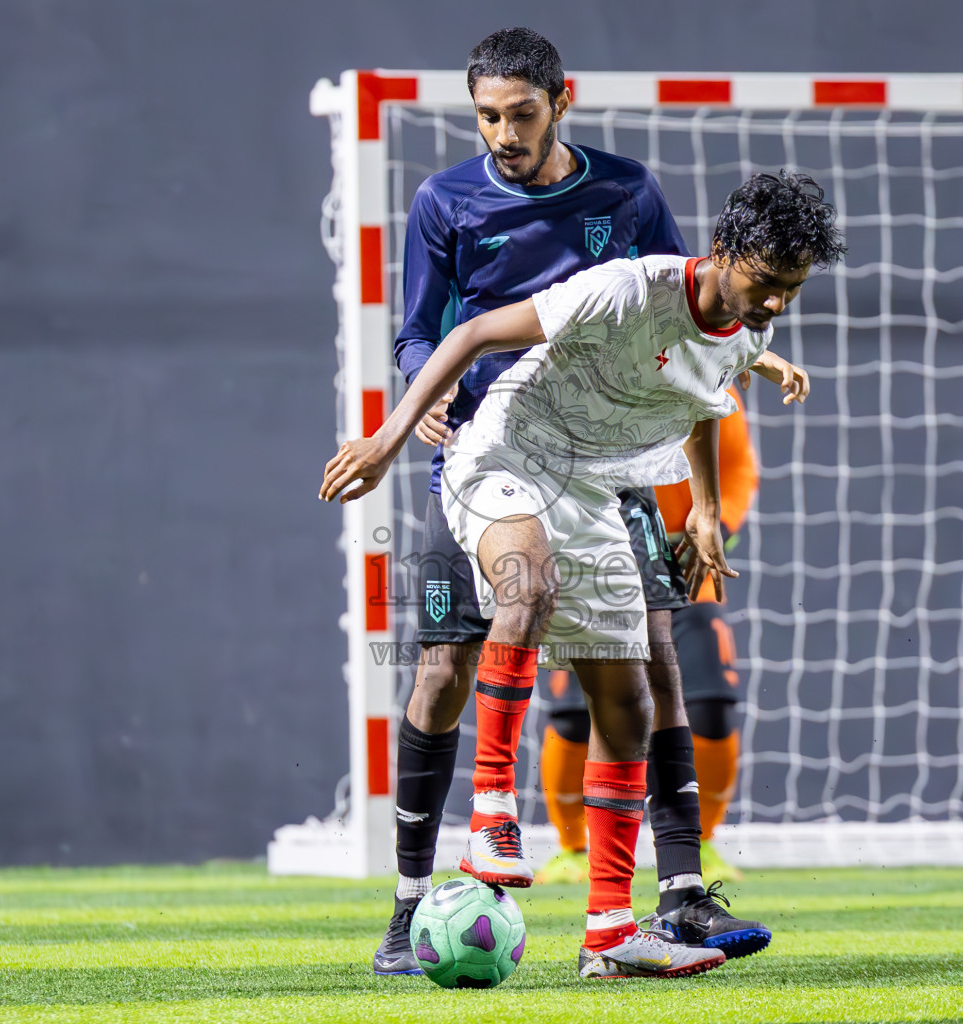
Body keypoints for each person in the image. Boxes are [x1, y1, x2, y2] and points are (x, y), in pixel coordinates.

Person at [322, 169, 846, 978]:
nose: (777, 302)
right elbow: (468, 336)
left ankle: (609, 933)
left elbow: (705, 399)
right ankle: (492, 811)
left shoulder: (749, 332)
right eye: (768, 282)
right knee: (525, 589)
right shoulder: (626, 288)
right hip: (505, 452)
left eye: (793, 288)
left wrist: (704, 509)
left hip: (595, 483)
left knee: (627, 696)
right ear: (726, 251)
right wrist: (387, 441)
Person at [370, 27, 781, 976]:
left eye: (521, 113)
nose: (503, 134)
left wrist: (703, 503)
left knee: (650, 664)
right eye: (486, 117)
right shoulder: (447, 201)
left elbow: (690, 324)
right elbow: (419, 333)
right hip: (488, 455)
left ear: (563, 100)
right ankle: (408, 906)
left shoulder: (625, 192)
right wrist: (419, 405)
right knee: (439, 673)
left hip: (606, 464)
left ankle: (673, 899)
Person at [536, 389, 768, 891]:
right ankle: (572, 847)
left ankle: (702, 840)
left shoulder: (713, 383)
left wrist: (716, 528)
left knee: (708, 707)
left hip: (684, 572)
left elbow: (738, 470)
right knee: (577, 715)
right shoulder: (591, 369)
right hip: (597, 566)